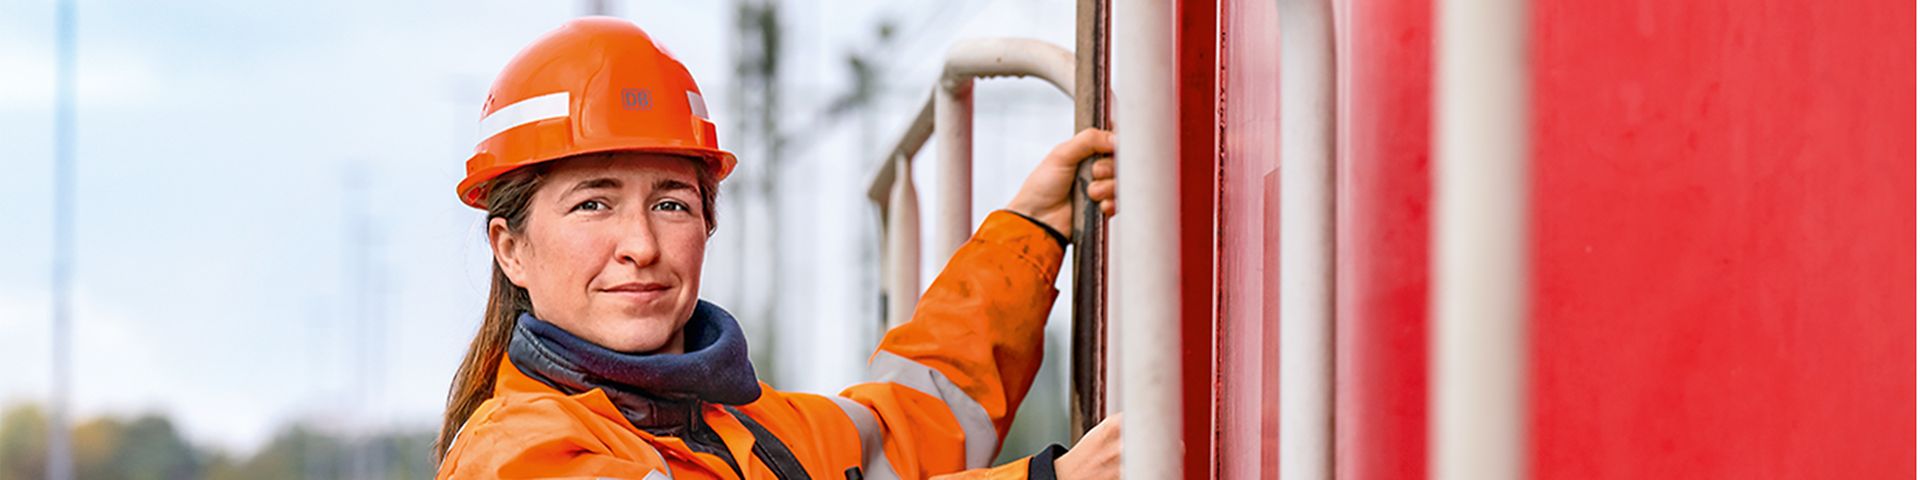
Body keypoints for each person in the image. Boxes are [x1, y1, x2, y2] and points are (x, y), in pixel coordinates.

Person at [433, 17, 1121, 480]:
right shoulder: (517, 454)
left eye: (671, 202)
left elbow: (920, 420)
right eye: (593, 204)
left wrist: (1031, 228)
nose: (640, 245)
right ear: (510, 248)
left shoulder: (751, 431)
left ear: (707, 225)